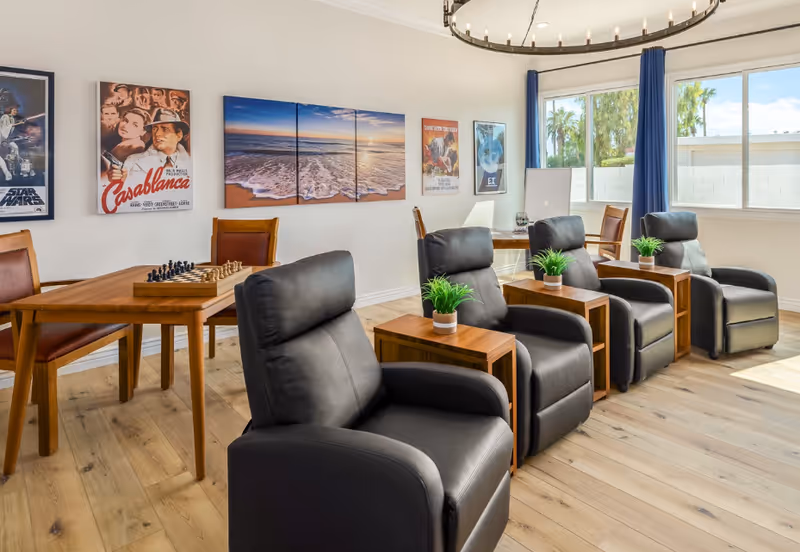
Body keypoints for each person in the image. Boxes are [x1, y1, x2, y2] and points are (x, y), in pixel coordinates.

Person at [109, 108, 190, 184]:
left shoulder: (190, 163)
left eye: (165, 129)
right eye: (155, 129)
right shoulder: (132, 161)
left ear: (179, 135)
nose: (157, 134)